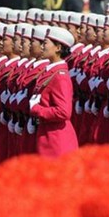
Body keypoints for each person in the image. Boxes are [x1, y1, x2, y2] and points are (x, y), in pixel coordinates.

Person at [28, 27, 79, 158]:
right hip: (47, 135)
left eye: (46, 43)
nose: (42, 46)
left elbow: (64, 111)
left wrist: (36, 109)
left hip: (56, 140)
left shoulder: (59, 75)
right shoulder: (51, 71)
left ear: (58, 48)